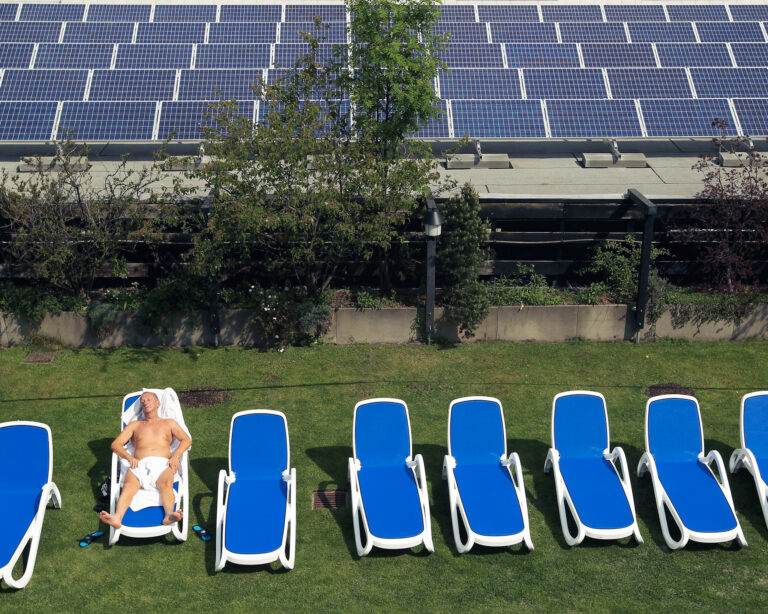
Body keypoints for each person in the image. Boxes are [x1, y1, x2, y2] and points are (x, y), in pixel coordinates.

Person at [99, 391, 192, 529]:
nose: (145, 402)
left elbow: (186, 440)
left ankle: (169, 515)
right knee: (128, 487)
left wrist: (176, 456)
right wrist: (129, 457)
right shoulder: (135, 425)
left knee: (167, 484)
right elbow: (115, 444)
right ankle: (117, 517)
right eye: (142, 401)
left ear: (158, 403)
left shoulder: (169, 423)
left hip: (163, 464)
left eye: (149, 399)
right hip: (139, 464)